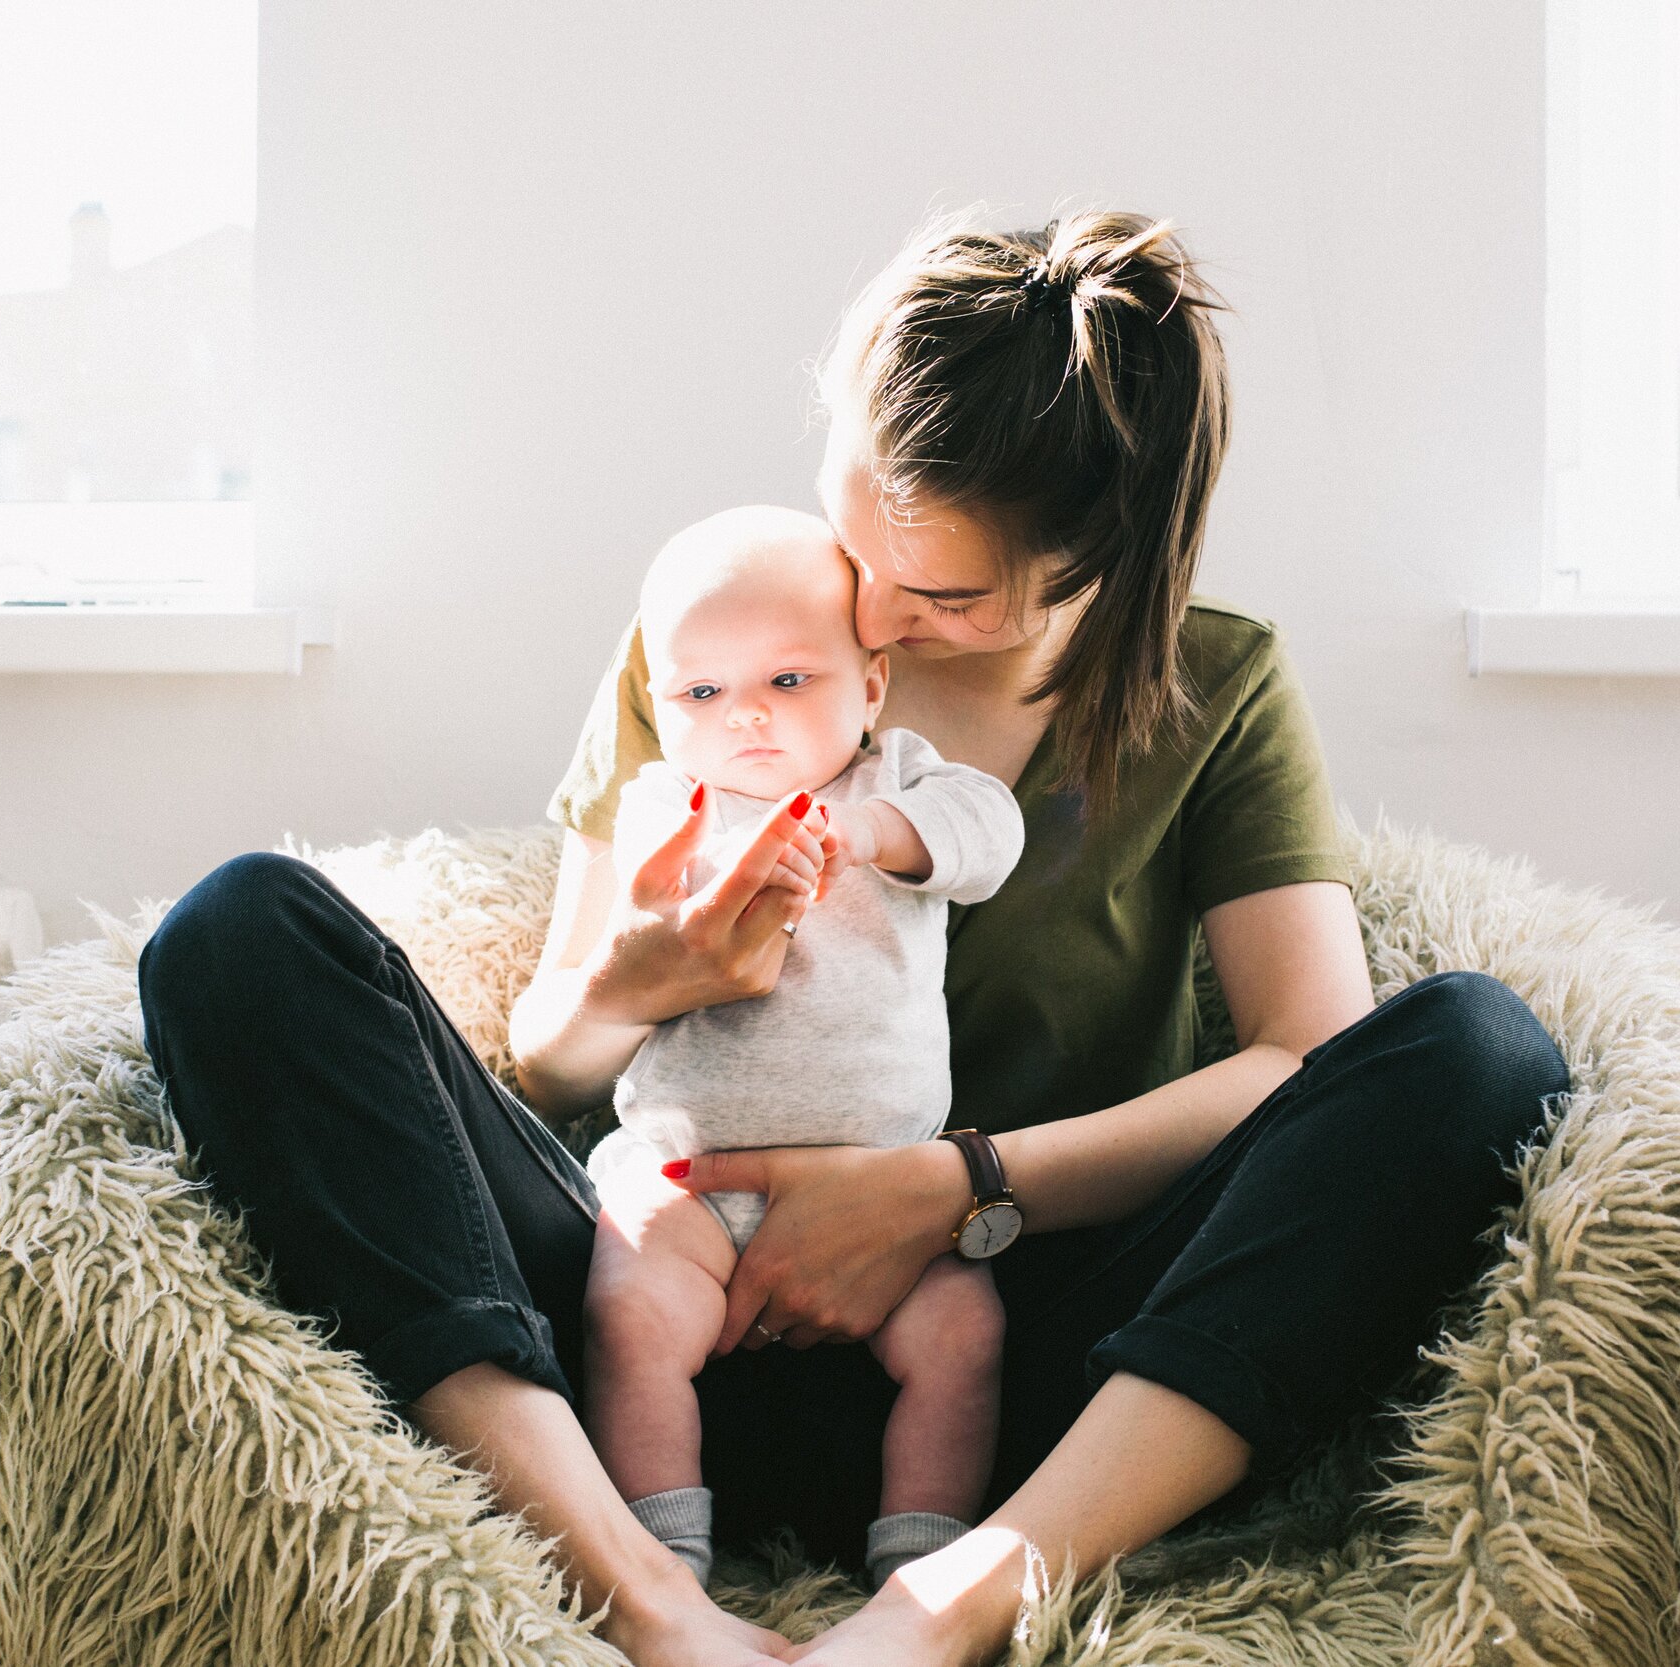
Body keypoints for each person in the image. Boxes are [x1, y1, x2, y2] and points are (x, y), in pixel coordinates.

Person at [136, 208, 1572, 1667]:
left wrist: (953, 1191)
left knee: (1479, 1051)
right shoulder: (727, 633)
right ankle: (633, 1585)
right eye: (856, 529)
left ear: (1095, 561)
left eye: (941, 595)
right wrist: (641, 982)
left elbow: (1300, 1059)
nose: (870, 613)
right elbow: (550, 1071)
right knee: (237, 932)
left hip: (1009, 1364)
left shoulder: (1217, 686)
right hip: (651, 1319)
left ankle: (951, 1603)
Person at [580, 504, 1024, 1593]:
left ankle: (916, 1564)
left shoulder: (897, 783)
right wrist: (686, 867)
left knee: (964, 1337)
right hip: (690, 1181)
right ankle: (662, 1559)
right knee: (625, 1317)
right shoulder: (667, 801)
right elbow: (637, 890)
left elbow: (990, 834)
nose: (746, 720)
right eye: (702, 692)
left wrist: (872, 835)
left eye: (788, 682)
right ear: (658, 704)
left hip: (888, 1191)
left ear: (869, 687)